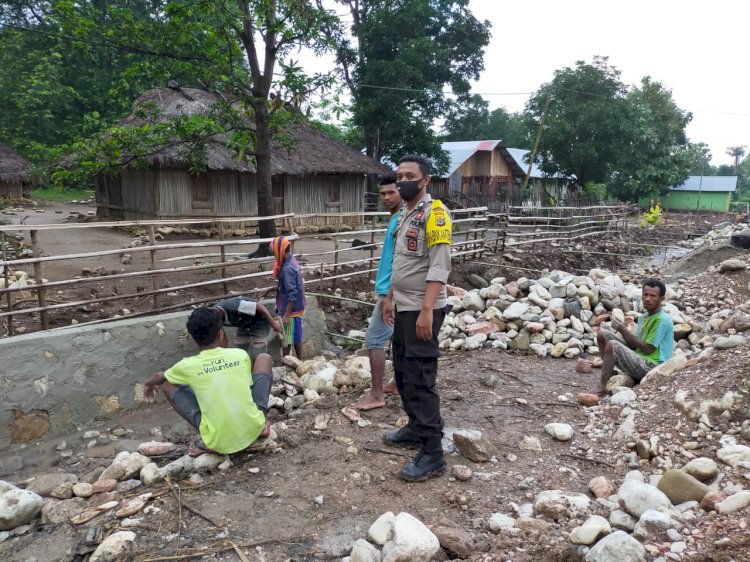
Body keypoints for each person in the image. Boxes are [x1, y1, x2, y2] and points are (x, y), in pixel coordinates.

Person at [381, 154, 452, 482]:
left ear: (424, 181)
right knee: (403, 371)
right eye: (399, 174)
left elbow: (439, 266)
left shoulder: (435, 214)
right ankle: (414, 427)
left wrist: (426, 310)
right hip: (402, 305)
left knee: (421, 378)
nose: (402, 179)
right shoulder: (405, 214)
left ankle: (433, 453)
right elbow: (401, 262)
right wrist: (390, 297)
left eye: (409, 175)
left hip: (423, 309)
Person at [143, 307, 272, 456]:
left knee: (168, 384)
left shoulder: (187, 365)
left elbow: (160, 376)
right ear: (220, 333)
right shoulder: (239, 354)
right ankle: (261, 424)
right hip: (252, 430)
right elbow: (248, 388)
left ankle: (208, 436)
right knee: (264, 358)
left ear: (194, 339)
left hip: (218, 443)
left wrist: (148, 384)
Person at [352, 174, 402, 411]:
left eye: (391, 192)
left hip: (391, 291)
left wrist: (389, 296)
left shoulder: (401, 219)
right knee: (398, 339)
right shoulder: (397, 218)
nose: (386, 197)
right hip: (394, 290)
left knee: (374, 339)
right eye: (383, 193)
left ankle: (376, 394)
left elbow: (404, 263)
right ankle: (396, 383)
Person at [593, 279, 674, 395]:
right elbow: (634, 346)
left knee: (612, 345)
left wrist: (623, 330)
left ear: (661, 299)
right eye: (645, 295)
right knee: (602, 335)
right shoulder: (643, 317)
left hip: (653, 366)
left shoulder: (662, 320)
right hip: (640, 357)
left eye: (652, 296)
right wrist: (622, 330)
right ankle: (609, 373)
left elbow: (648, 349)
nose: (647, 299)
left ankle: (602, 386)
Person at [213, 296, 284, 360]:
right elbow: (223, 338)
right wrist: (224, 355)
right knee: (240, 353)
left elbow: (260, 307)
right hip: (244, 325)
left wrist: (273, 324)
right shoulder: (213, 318)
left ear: (219, 312)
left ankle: (262, 369)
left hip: (259, 321)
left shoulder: (234, 306)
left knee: (258, 354)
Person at [272, 236, 306, 358]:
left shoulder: (287, 268)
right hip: (294, 308)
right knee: (295, 337)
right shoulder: (292, 261)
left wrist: (286, 315)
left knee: (287, 341)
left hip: (290, 310)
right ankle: (299, 361)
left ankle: (287, 363)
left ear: (279, 251)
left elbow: (292, 293)